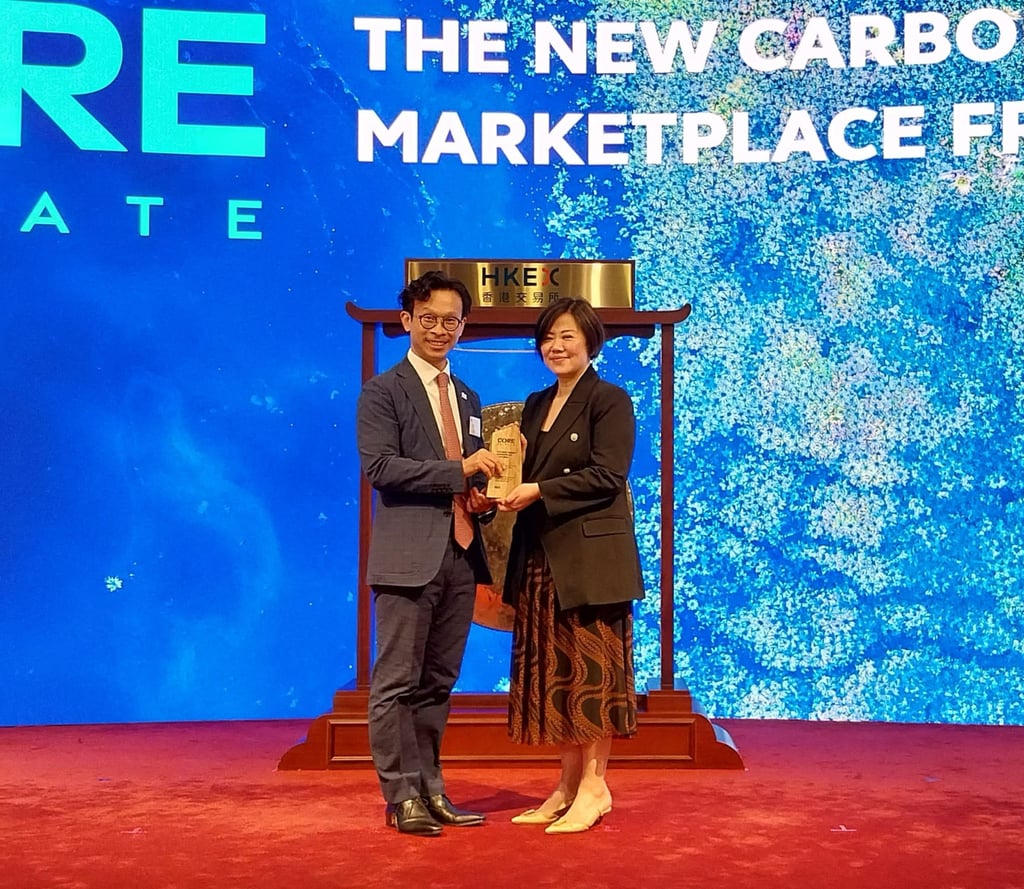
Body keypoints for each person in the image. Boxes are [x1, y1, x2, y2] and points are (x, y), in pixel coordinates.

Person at [356, 269, 503, 837]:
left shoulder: (467, 396)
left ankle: (431, 788)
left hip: (462, 555)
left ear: (463, 325)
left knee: (438, 682)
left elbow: (461, 476)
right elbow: (381, 469)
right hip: (407, 559)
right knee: (395, 682)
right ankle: (400, 797)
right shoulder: (382, 391)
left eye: (451, 320)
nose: (440, 329)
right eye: (429, 319)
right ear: (407, 322)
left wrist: (480, 497)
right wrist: (458, 470)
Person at [498, 297, 644, 835]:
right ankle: (564, 784)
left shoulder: (610, 400)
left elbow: (609, 475)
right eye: (548, 338)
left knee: (592, 673)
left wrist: (538, 487)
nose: (556, 347)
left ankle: (595, 786)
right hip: (541, 555)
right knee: (557, 672)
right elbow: (519, 468)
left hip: (591, 560)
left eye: (567, 337)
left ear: (590, 342)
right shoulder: (536, 404)